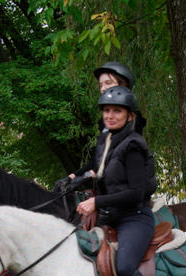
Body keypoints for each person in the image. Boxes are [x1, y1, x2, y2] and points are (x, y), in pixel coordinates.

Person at [76, 86, 165, 276]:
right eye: (107, 110)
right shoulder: (106, 141)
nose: (110, 115)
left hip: (134, 218)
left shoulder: (133, 145)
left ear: (129, 116)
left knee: (125, 267)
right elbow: (100, 174)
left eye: (117, 111)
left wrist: (96, 202)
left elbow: (136, 192)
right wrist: (75, 180)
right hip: (110, 218)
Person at [56, 61, 146, 190]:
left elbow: (117, 163)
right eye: (100, 85)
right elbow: (98, 160)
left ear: (123, 85)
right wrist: (72, 176)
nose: (103, 88)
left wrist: (89, 177)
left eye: (108, 83)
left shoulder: (133, 122)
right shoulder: (105, 123)